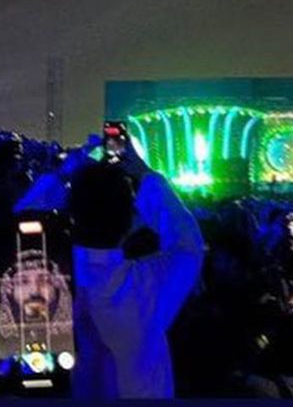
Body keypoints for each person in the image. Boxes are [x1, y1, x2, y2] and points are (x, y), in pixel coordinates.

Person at [68, 149, 204, 398]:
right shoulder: (145, 287)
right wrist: (145, 174)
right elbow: (188, 245)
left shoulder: (49, 279)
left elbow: (22, 216)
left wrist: (62, 174)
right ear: (130, 221)